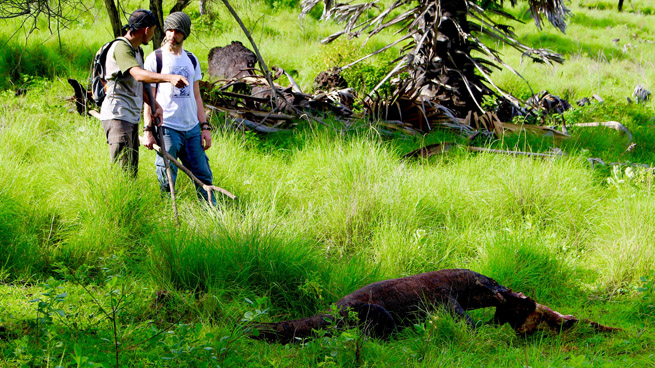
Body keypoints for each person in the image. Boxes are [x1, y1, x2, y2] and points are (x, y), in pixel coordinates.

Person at [99, 9, 189, 176]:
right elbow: (139, 76)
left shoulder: (137, 51)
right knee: (122, 172)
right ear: (147, 30)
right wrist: (169, 78)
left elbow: (138, 87)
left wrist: (155, 105)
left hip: (131, 117)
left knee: (131, 172)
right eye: (154, 31)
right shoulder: (121, 47)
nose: (154, 35)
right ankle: (115, 202)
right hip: (118, 115)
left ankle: (130, 201)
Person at [142, 12, 216, 205]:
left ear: (185, 34)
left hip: (191, 129)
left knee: (203, 174)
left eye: (178, 32)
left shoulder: (191, 60)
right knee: (167, 179)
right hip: (167, 128)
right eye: (170, 30)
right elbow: (148, 99)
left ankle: (211, 213)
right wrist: (148, 131)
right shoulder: (155, 59)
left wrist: (205, 127)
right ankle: (168, 214)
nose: (173, 35)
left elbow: (197, 96)